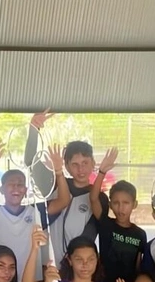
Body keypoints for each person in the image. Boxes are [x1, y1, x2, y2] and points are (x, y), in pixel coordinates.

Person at [0, 140, 69, 281]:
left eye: (20, 184)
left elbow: (64, 200)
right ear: (2, 189)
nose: (16, 188)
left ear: (26, 191)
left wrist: (59, 171)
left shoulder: (36, 212)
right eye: (11, 184)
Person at [26, 112, 104, 263]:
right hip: (47, 265)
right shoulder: (53, 182)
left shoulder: (98, 197)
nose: (80, 169)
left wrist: (71, 262)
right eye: (74, 164)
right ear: (66, 166)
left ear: (93, 163)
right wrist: (34, 129)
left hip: (76, 269)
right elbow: (30, 161)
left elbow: (90, 234)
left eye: (85, 163)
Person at [89, 147, 148, 282]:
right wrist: (102, 172)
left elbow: (138, 265)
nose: (121, 208)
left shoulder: (140, 234)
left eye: (126, 203)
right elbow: (94, 198)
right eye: (116, 203)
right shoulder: (106, 224)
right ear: (110, 205)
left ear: (134, 204)